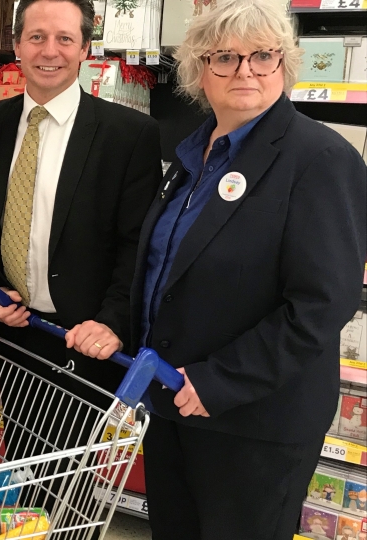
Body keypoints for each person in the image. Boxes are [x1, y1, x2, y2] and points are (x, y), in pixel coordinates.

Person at [128, 0, 366, 538]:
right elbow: (166, 268)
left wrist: (218, 381)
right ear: (198, 70)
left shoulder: (319, 159)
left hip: (253, 423)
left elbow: (321, 303)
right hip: (173, 407)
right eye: (225, 58)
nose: (246, 71)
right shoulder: (193, 154)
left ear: (285, 63)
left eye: (263, 55)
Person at [0, 0, 162, 406]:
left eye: (65, 39)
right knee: (25, 456)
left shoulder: (129, 135)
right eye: (37, 37)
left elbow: (139, 244)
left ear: (84, 49)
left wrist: (113, 323)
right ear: (17, 45)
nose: (49, 51)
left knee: (79, 467)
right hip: (16, 333)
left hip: (89, 342)